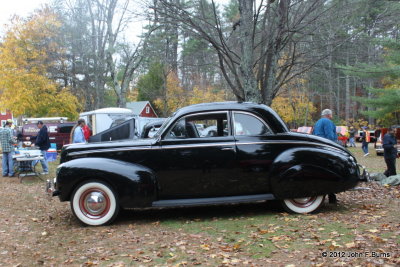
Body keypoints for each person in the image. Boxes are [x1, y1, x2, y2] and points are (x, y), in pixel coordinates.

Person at [313, 109, 337, 203]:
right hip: (326, 149)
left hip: (318, 148)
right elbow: (330, 136)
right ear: (329, 115)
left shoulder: (317, 122)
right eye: (331, 114)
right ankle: (331, 196)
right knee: (330, 171)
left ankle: (321, 195)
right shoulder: (327, 122)